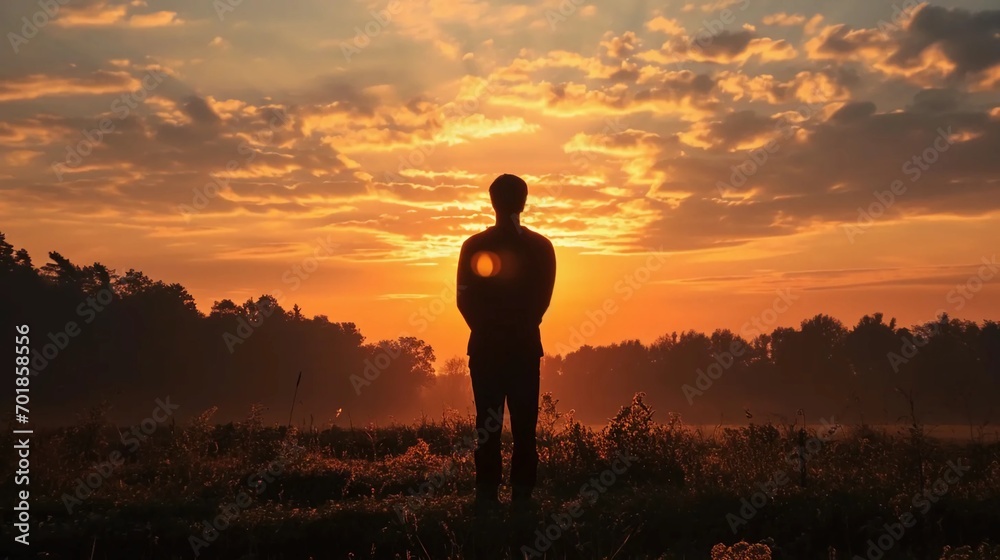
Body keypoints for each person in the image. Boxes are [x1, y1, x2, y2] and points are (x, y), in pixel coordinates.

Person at [456, 173, 556, 508]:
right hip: (524, 348)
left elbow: (464, 300)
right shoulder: (541, 247)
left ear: (492, 202)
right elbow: (543, 300)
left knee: (487, 426)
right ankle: (521, 496)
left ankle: (487, 495)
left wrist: (487, 329)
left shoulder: (474, 245)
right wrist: (520, 326)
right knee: (525, 426)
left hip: (486, 349)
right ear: (524, 202)